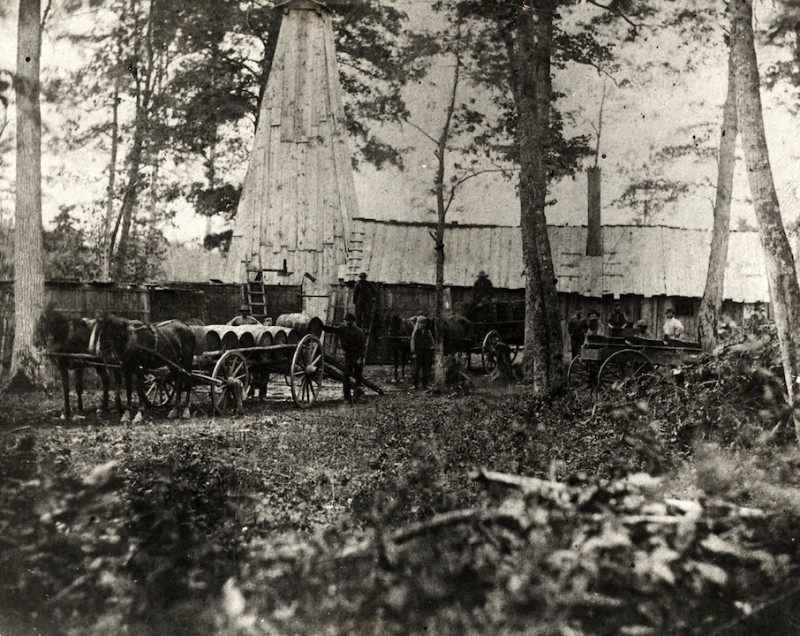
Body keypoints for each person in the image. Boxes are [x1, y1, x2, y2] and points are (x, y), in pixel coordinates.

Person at [322, 312, 366, 404]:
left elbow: (362, 347)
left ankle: (357, 396)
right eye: (346, 321)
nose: (347, 323)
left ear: (353, 321)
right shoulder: (343, 329)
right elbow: (332, 330)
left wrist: (360, 359)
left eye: (349, 321)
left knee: (358, 377)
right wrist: (322, 326)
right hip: (349, 355)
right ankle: (347, 398)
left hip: (357, 355)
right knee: (346, 377)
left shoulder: (359, 332)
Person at [410, 315, 435, 389]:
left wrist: (432, 348)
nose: (423, 325)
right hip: (418, 352)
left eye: (424, 323)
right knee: (416, 369)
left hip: (426, 352)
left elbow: (432, 342)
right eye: (421, 323)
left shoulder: (428, 332)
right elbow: (412, 342)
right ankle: (415, 385)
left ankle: (425, 384)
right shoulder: (415, 332)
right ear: (418, 323)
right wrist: (413, 352)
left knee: (426, 369)